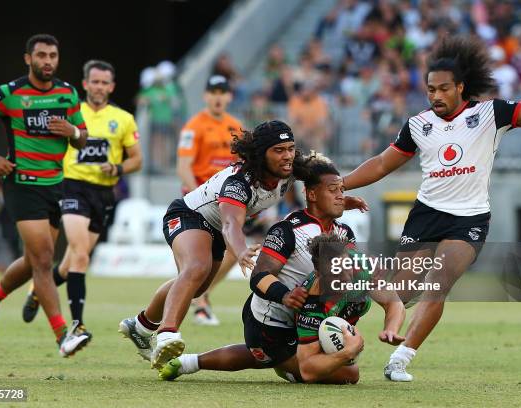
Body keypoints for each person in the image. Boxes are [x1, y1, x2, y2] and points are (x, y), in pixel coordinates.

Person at [342, 36, 521, 381]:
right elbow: (382, 164)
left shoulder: (491, 113)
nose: (436, 96)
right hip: (426, 215)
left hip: (469, 218)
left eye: (443, 89)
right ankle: (342, 316)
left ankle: (400, 359)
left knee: (439, 283)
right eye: (430, 90)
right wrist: (339, 185)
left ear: (460, 87)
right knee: (400, 291)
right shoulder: (417, 125)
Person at [118, 120, 367, 369]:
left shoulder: (291, 168)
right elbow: (230, 225)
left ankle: (140, 325)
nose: (287, 156)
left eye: (290, 148)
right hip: (188, 215)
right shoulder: (241, 182)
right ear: (262, 154)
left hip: (214, 229)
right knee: (195, 268)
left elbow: (324, 184)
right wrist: (240, 252)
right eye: (278, 150)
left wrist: (341, 198)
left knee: (194, 286)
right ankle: (167, 334)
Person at [157, 155, 403, 384]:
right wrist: (285, 295)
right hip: (271, 321)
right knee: (346, 373)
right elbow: (259, 277)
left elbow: (351, 278)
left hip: (308, 315)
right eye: (333, 190)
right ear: (312, 194)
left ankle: (191, 362)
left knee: (261, 357)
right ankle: (285, 364)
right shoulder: (287, 230)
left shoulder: (344, 232)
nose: (340, 196)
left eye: (342, 190)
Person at [0, 33, 91, 357]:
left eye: (53, 56)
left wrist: (73, 132)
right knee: (45, 259)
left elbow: (83, 139)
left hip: (55, 185)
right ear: (28, 59)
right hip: (22, 183)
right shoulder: (9, 94)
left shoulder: (67, 93)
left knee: (35, 259)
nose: (47, 61)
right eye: (42, 55)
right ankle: (63, 335)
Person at [21, 60, 142, 339]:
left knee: (70, 263)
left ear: (111, 87)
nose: (99, 87)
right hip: (71, 187)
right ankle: (77, 324)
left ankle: (39, 288)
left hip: (103, 193)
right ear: (85, 84)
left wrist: (118, 168)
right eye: (94, 82)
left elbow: (138, 159)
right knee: (80, 254)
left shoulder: (123, 119)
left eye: (104, 83)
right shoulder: (72, 114)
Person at [176, 75, 242, 325]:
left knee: (233, 251)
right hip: (200, 198)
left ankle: (199, 296)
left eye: (222, 92)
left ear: (229, 96)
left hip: (227, 199)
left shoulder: (236, 126)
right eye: (213, 91)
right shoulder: (194, 126)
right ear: (205, 96)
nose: (217, 96)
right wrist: (198, 197)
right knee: (201, 256)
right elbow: (183, 167)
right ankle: (200, 302)